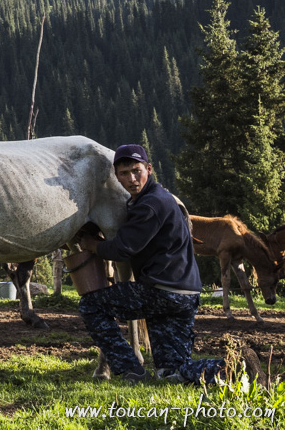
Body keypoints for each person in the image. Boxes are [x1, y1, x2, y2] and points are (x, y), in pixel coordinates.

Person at [77, 144, 264, 386]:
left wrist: (92, 244)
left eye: (136, 171)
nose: (131, 179)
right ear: (117, 176)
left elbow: (123, 249)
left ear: (149, 169)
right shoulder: (160, 198)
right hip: (184, 296)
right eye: (124, 174)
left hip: (160, 292)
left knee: (91, 305)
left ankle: (130, 368)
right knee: (171, 371)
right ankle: (238, 368)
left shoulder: (150, 204)